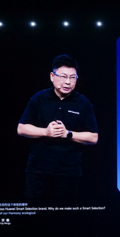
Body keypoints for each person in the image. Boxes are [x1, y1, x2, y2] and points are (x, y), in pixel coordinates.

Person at [17, 54, 98, 199]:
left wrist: (68, 133)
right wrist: (46, 132)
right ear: (52, 76)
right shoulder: (39, 98)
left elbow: (93, 137)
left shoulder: (83, 103)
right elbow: (21, 128)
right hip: (38, 171)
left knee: (64, 212)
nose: (68, 82)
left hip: (69, 173)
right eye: (63, 76)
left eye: (72, 77)